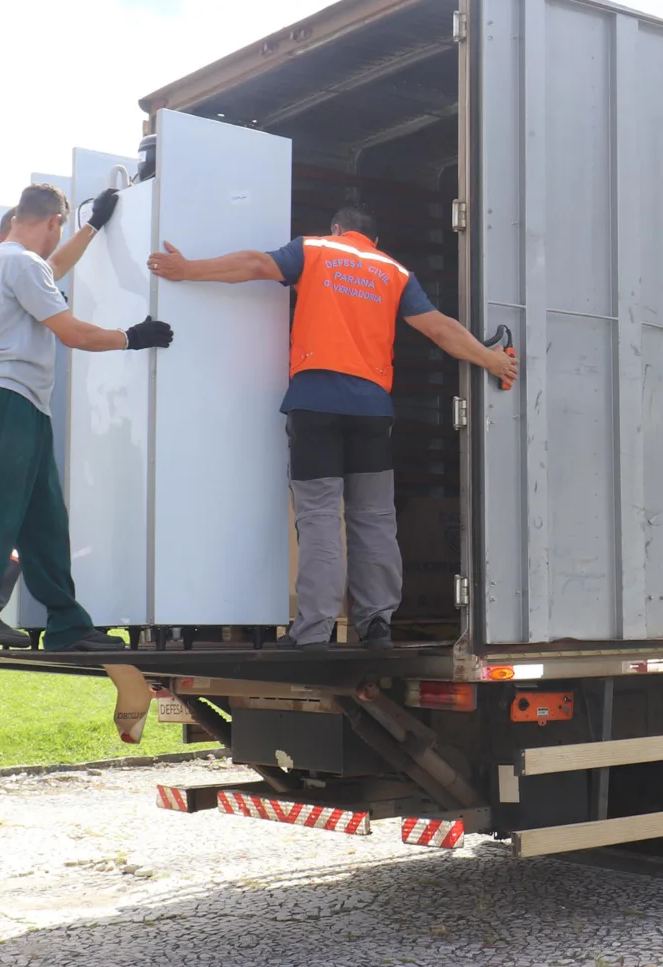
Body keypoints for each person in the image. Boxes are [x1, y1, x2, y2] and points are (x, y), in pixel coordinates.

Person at [147, 205, 517, 650]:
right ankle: (377, 624)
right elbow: (439, 329)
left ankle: (315, 629)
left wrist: (188, 270)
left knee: (321, 517)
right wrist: (493, 359)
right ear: (373, 241)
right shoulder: (393, 271)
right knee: (375, 519)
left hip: (316, 404)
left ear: (337, 229)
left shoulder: (315, 250)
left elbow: (253, 264)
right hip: (372, 411)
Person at [0, 183, 173, 654]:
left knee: (44, 522)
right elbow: (72, 332)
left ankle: (67, 625)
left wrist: (92, 227)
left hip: (23, 403)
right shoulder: (16, 262)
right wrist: (131, 337)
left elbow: (51, 271)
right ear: (53, 222)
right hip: (3, 399)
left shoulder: (0, 265)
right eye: (62, 230)